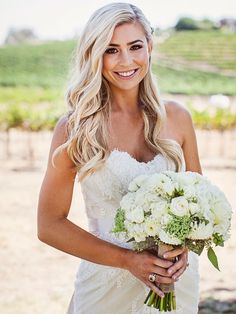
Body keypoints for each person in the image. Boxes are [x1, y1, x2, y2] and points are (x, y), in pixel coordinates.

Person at [37, 2, 202, 313]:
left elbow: (199, 207)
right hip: (106, 287)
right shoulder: (76, 128)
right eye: (111, 50)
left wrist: (185, 248)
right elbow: (49, 225)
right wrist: (128, 260)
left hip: (175, 284)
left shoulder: (178, 118)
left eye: (135, 46)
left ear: (149, 47)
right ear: (94, 54)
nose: (126, 60)